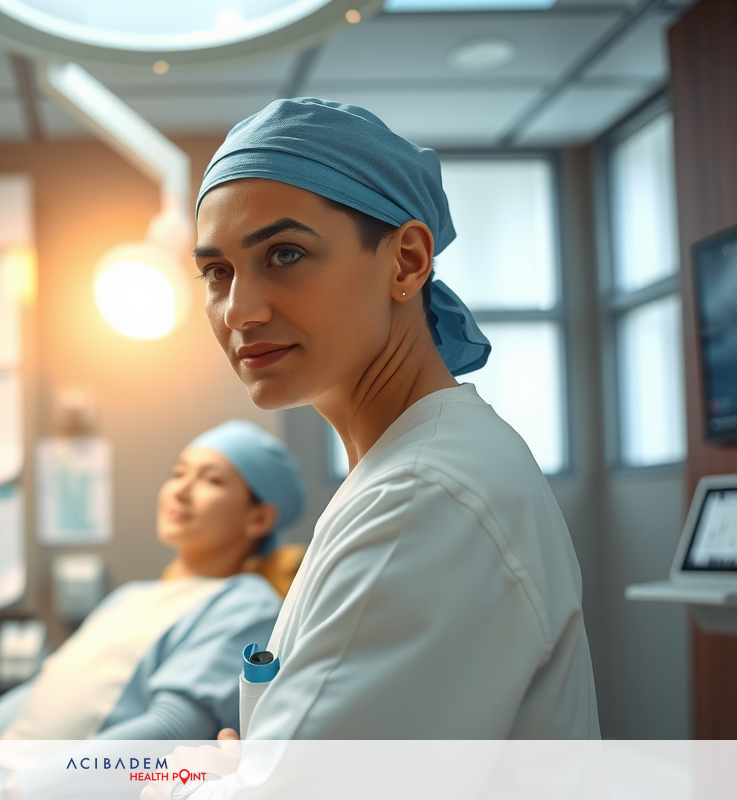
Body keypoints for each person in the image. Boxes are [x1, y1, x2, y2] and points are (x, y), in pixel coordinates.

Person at [184, 99, 599, 743]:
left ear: (406, 261)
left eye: (285, 254)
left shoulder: (423, 497)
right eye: (217, 272)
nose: (240, 310)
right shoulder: (406, 471)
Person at [0, 420, 306, 800]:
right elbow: (46, 685)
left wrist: (18, 790)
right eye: (179, 472)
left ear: (259, 517)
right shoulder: (130, 596)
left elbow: (172, 727)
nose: (181, 490)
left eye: (212, 479)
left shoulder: (246, 602)